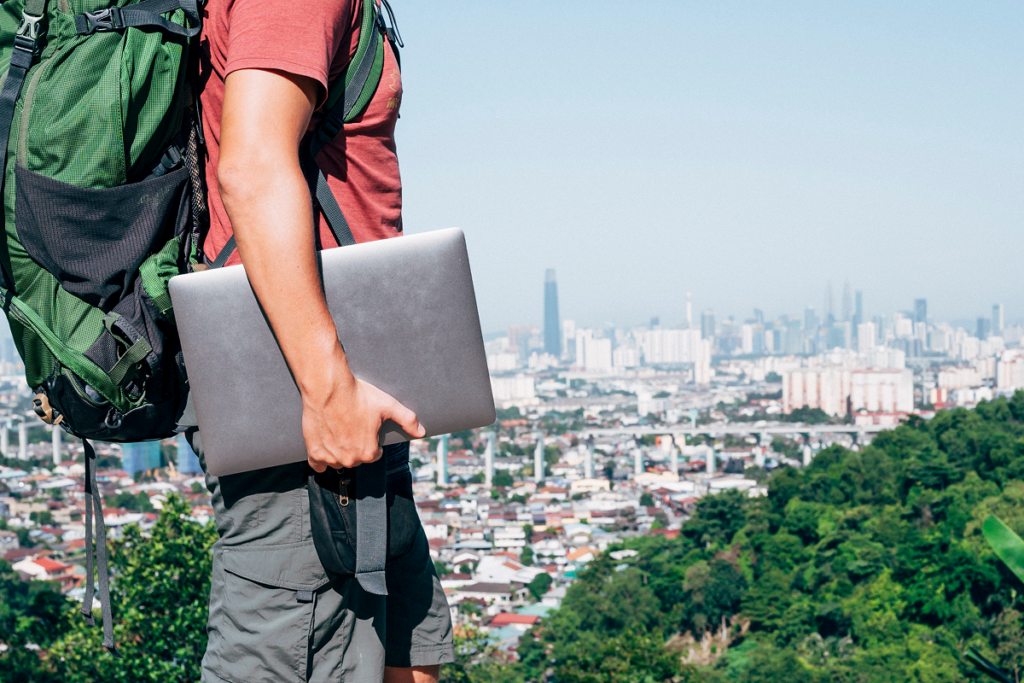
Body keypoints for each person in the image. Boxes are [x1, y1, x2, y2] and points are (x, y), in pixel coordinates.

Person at [192, 0, 455, 680]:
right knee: (291, 654)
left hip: (350, 386)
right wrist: (327, 386)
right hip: (299, 391)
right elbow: (251, 168)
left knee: (411, 656)